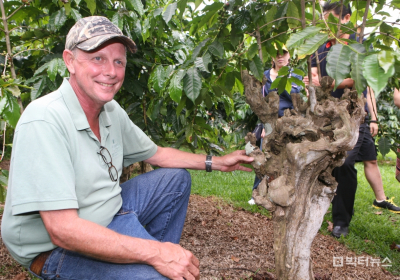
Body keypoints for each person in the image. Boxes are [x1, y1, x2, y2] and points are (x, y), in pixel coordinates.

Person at [0, 16, 254, 280]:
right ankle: (150, 265)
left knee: (175, 180)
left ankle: (144, 262)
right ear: (69, 61)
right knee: (160, 273)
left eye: (118, 61)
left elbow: (158, 154)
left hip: (108, 213)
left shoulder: (109, 110)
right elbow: (63, 230)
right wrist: (155, 252)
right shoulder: (44, 119)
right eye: (97, 58)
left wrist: (217, 162)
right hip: (55, 248)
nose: (111, 71)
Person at [304, 2, 399, 239]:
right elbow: (313, 74)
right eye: (324, 20)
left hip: (355, 115)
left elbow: (361, 81)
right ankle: (323, 208)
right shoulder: (321, 46)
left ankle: (341, 221)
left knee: (347, 163)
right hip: (329, 115)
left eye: (331, 19)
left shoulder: (359, 45)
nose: (327, 25)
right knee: (334, 163)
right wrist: (316, 82)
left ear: (346, 18)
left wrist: (328, 82)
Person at [248, 46, 302, 205]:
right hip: (269, 121)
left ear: (289, 55)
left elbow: (298, 101)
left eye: (283, 53)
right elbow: (261, 102)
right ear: (271, 57)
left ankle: (285, 194)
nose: (280, 57)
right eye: (276, 54)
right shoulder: (264, 76)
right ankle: (257, 193)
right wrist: (265, 125)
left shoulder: (296, 75)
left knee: (288, 159)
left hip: (290, 122)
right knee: (264, 159)